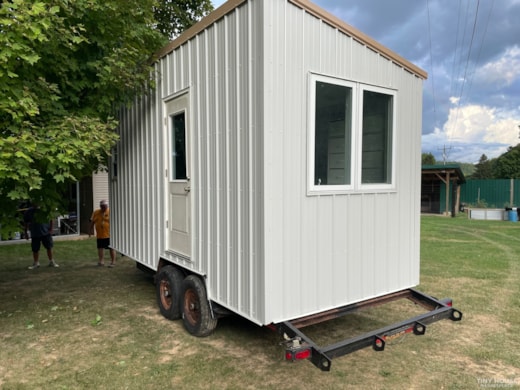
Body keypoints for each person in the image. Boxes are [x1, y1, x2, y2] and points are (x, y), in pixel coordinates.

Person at [24, 205, 59, 269]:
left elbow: (51, 219)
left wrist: (51, 229)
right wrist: (26, 232)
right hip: (35, 233)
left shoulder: (45, 209)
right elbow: (26, 222)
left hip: (46, 232)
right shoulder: (29, 211)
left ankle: (51, 261)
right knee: (35, 249)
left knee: (49, 247)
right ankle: (36, 263)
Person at [90, 200, 116, 267]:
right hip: (100, 234)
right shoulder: (96, 212)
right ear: (100, 206)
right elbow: (92, 222)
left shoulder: (111, 212)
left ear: (107, 206)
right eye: (102, 207)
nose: (103, 208)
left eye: (105, 207)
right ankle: (101, 261)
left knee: (111, 248)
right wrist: (90, 230)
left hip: (109, 234)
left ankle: (113, 262)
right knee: (100, 248)